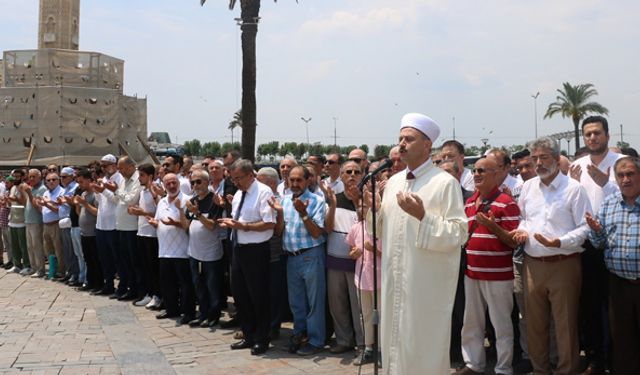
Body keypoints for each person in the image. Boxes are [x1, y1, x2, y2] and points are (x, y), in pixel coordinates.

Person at [365, 113, 467, 374]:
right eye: (400, 138)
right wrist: (371, 209)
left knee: (422, 345)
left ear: (426, 145)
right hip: (393, 281)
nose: (401, 144)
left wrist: (423, 217)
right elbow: (380, 230)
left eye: (408, 139)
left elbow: (459, 233)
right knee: (393, 342)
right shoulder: (393, 183)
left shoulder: (445, 183)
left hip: (426, 287)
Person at [512, 136, 592, 375]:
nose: (538, 163)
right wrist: (522, 231)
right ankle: (540, 370)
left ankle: (566, 370)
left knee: (565, 325)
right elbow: (525, 218)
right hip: (532, 264)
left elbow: (584, 227)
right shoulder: (528, 187)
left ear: (557, 160)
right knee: (534, 324)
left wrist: (560, 241)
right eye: (534, 158)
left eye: (543, 158)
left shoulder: (574, 189)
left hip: (564, 264)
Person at [456, 157, 520, 375]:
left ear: (496, 173)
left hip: (499, 276)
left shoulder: (507, 202)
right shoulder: (468, 202)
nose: (476, 174)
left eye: (483, 170)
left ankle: (503, 368)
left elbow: (514, 242)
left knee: (501, 326)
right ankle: (473, 364)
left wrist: (493, 227)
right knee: (471, 323)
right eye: (474, 170)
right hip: (472, 273)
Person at [569, 116, 622, 375]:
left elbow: (632, 195)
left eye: (597, 133)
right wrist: (574, 186)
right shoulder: (576, 166)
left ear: (607, 135)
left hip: (615, 243)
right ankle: (594, 358)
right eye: (588, 134)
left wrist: (607, 184)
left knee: (614, 306)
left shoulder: (621, 164)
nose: (592, 138)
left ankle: (617, 357)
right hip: (586, 244)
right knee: (588, 304)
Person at [585, 156, 640, 375]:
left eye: (631, 174)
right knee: (623, 339)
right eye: (621, 175)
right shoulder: (609, 203)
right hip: (618, 286)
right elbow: (599, 244)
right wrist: (596, 230)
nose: (626, 179)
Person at [219, 159, 275, 355]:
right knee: (240, 295)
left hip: (256, 250)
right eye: (233, 179)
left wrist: (243, 226)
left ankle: (262, 338)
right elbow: (238, 220)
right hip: (238, 248)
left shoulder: (263, 192)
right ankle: (249, 335)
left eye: (239, 178)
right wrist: (231, 224)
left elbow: (269, 223)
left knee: (258, 295)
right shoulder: (238, 195)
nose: (236, 182)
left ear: (250, 175)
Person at [274, 165, 327, 356]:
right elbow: (279, 231)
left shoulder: (317, 201)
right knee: (296, 302)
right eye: (292, 180)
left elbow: (316, 233)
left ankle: (316, 341)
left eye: (299, 180)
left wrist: (303, 213)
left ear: (307, 181)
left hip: (311, 255)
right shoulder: (284, 201)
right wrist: (279, 214)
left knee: (314, 303)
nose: (295, 184)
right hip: (291, 257)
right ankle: (299, 335)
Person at [325, 161, 365, 355]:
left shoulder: (369, 199)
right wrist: (332, 204)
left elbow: (368, 225)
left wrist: (358, 202)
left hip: (359, 263)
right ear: (341, 176)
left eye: (356, 172)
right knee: (337, 304)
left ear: (363, 175)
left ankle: (363, 344)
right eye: (347, 172)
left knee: (360, 308)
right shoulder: (334, 199)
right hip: (335, 259)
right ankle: (343, 340)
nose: (352, 175)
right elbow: (327, 227)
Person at [149, 173, 195, 325]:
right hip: (164, 250)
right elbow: (159, 220)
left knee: (185, 284)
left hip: (182, 251)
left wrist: (174, 223)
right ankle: (171, 309)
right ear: (163, 185)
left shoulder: (188, 200)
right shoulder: (162, 201)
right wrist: (154, 223)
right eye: (167, 183)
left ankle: (188, 312)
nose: (171, 186)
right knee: (167, 283)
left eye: (174, 182)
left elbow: (188, 225)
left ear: (179, 183)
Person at [180, 169, 225, 328]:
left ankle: (213, 316)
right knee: (199, 286)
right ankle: (203, 314)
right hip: (194, 252)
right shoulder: (192, 201)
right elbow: (186, 226)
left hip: (210, 253)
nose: (195, 185)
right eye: (193, 182)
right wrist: (182, 211)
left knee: (212, 286)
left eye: (199, 181)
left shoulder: (215, 200)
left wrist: (197, 213)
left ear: (207, 182)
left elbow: (212, 226)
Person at [256, 167, 288, 340]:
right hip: (256, 252)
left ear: (272, 183)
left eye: (259, 181)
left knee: (274, 293)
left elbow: (278, 230)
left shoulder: (281, 201)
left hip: (275, 253)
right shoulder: (256, 198)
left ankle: (273, 326)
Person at [91, 154, 124, 296]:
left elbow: (118, 200)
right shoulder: (104, 179)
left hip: (113, 225)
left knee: (117, 259)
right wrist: (98, 191)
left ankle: (122, 286)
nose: (103, 168)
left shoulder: (120, 179)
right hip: (101, 224)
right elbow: (100, 200)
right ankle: (108, 284)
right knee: (104, 258)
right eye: (101, 166)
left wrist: (103, 190)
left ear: (114, 165)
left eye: (105, 165)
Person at [114, 156, 141, 301]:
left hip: (132, 227)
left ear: (131, 166)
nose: (120, 171)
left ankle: (136, 290)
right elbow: (118, 199)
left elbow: (131, 199)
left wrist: (117, 191)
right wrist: (109, 191)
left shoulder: (136, 179)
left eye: (121, 168)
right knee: (125, 261)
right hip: (122, 226)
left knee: (133, 261)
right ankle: (129, 288)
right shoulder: (124, 180)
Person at [74, 168, 103, 292]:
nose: (79, 185)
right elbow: (79, 212)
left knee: (96, 260)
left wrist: (85, 204)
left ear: (89, 180)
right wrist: (77, 203)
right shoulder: (84, 194)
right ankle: (90, 282)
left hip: (93, 233)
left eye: (81, 182)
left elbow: (98, 212)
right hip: (84, 232)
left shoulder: (95, 194)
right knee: (88, 259)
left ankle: (99, 283)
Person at [21, 169, 47, 278]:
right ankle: (33, 268)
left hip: (37, 221)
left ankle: (40, 269)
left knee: (37, 246)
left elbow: (37, 206)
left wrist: (29, 193)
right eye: (29, 177)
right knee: (30, 246)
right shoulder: (31, 188)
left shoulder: (42, 189)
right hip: (28, 221)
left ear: (39, 177)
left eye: (33, 177)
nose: (31, 179)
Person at [8, 170, 30, 275]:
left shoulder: (24, 187)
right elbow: (11, 202)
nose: (16, 178)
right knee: (14, 244)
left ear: (22, 177)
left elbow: (25, 202)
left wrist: (16, 197)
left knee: (23, 245)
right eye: (14, 176)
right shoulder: (12, 187)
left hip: (22, 219)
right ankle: (17, 265)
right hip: (13, 218)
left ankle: (26, 265)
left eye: (18, 176)